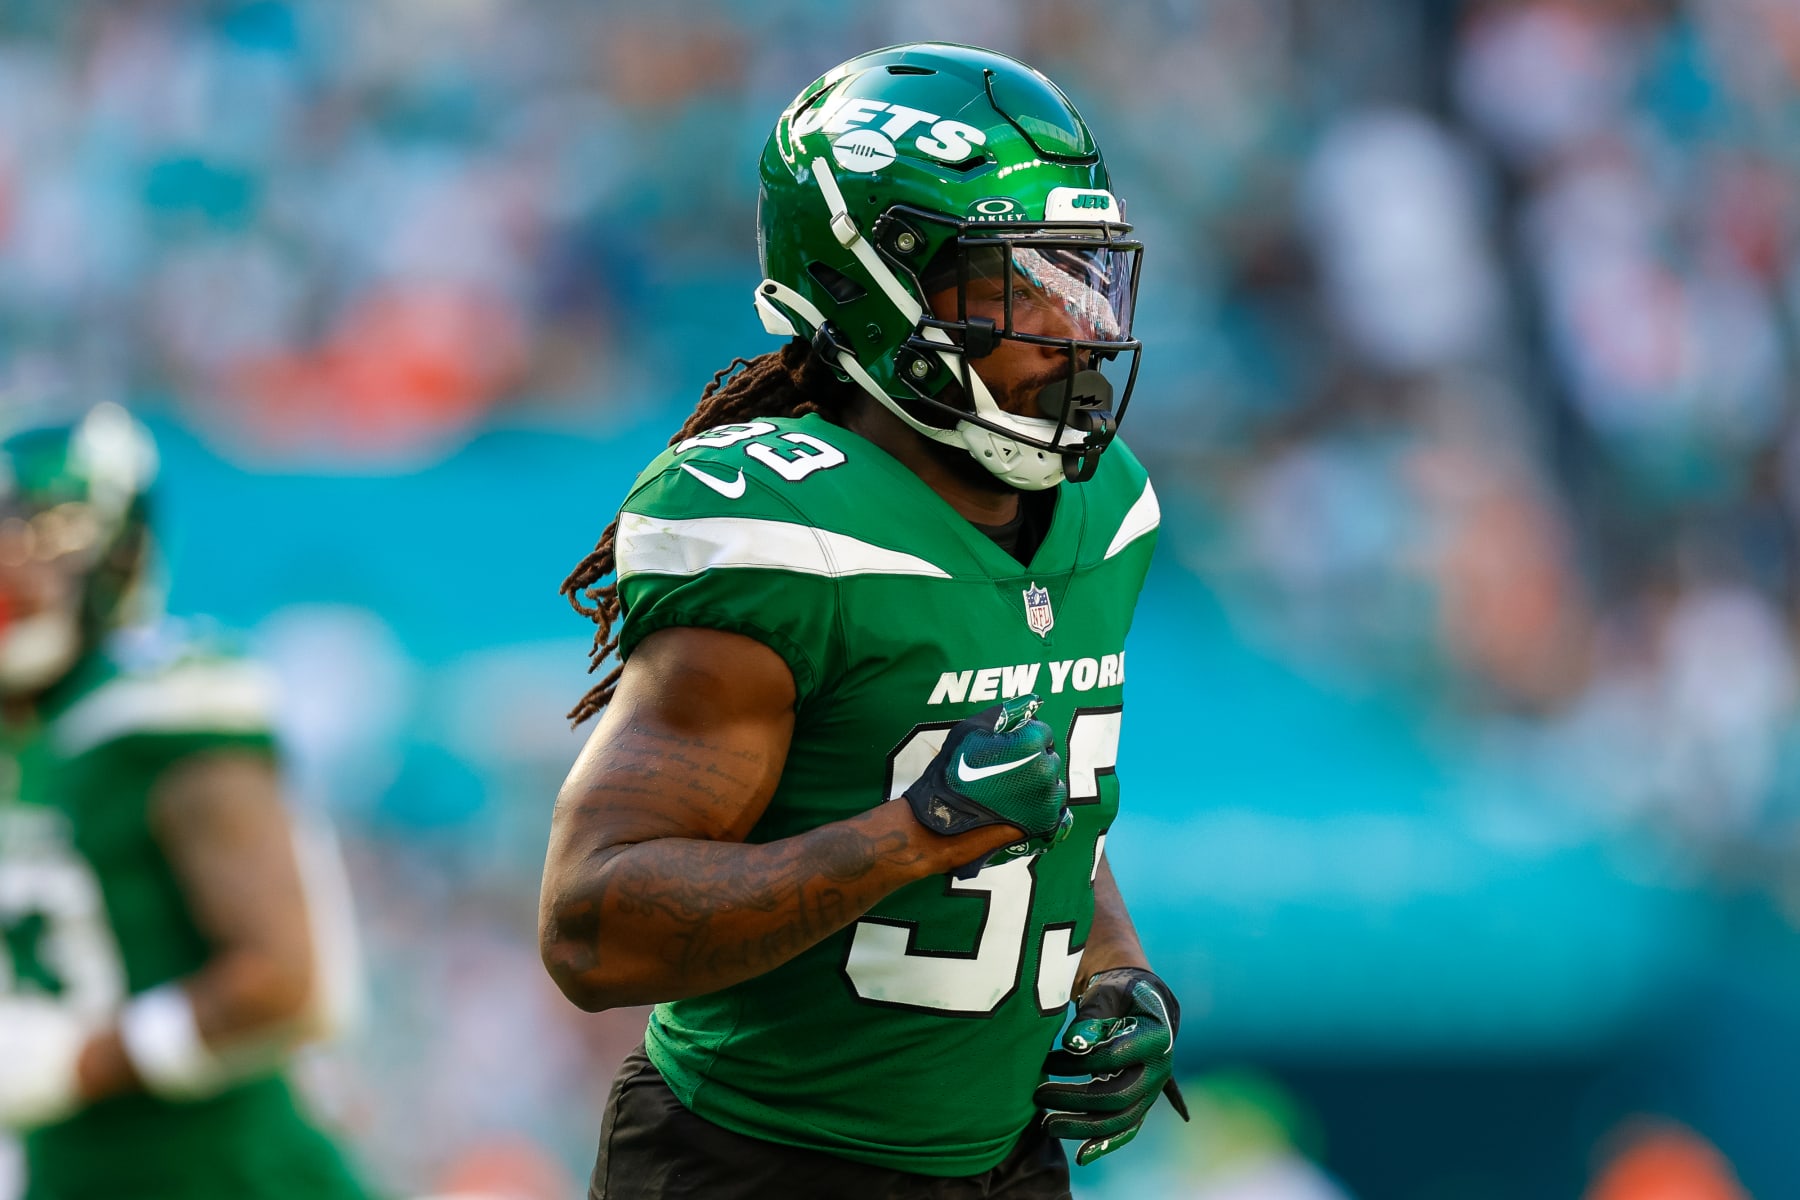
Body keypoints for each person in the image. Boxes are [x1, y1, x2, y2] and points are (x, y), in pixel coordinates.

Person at [539, 42, 1185, 1200]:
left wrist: (1117, 974)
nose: (1073, 328)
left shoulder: (1107, 505)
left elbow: (1044, 800)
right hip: (760, 1166)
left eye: (1084, 275)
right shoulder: (782, 527)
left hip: (1002, 1165)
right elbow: (594, 927)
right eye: (1015, 283)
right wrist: (912, 832)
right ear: (874, 293)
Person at [0, 405, 373, 1200]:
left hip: (228, 1171)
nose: (10, 564)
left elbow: (285, 981)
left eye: (42, 535)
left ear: (118, 551)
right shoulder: (24, 740)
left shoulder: (165, 710)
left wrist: (77, 1062)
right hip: (68, 1173)